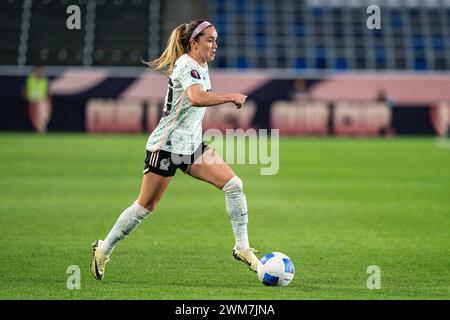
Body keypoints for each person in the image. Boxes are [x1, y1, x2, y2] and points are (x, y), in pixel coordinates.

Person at [91, 20, 260, 280]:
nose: (215, 45)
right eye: (210, 40)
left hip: (191, 146)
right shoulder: (186, 65)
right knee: (145, 207)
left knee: (234, 185)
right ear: (194, 43)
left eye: (216, 39)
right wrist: (231, 96)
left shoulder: (201, 64)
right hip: (167, 147)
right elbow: (195, 98)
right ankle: (104, 248)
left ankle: (243, 248)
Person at [22, 65, 51, 133]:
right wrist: (27, 98)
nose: (40, 72)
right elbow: (23, 90)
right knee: (34, 117)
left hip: (42, 101)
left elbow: (48, 91)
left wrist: (46, 100)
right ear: (35, 71)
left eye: (41, 71)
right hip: (32, 101)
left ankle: (41, 130)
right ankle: (37, 130)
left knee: (42, 117)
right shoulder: (29, 79)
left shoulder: (45, 79)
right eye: (39, 71)